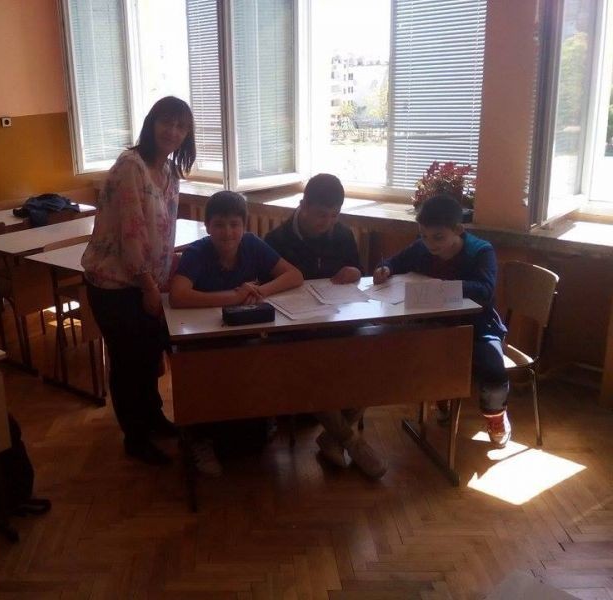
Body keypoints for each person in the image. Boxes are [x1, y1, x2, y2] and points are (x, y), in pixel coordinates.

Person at [81, 96, 196, 466]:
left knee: (148, 358)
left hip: (147, 283)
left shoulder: (170, 172)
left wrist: (163, 277)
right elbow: (132, 234)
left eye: (180, 126)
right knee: (129, 362)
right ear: (151, 123)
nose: (172, 131)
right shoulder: (131, 166)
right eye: (166, 122)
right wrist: (148, 285)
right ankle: (135, 437)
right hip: (115, 284)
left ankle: (153, 418)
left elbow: (164, 231)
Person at [169, 191, 304, 475]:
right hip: (203, 338)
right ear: (207, 226)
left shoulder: (252, 245)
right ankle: (200, 438)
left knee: (264, 361)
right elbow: (178, 296)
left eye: (234, 224)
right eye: (219, 224)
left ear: (244, 226)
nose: (227, 232)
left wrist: (259, 291)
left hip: (243, 333)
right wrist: (233, 297)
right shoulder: (197, 252)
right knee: (200, 374)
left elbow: (294, 275)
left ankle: (261, 416)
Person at [264, 174, 387, 478]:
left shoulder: (342, 234)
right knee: (311, 367)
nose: (328, 222)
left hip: (338, 321)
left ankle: (332, 437)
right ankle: (351, 442)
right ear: (302, 205)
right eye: (321, 214)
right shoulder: (276, 240)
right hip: (295, 329)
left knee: (378, 358)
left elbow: (358, 271)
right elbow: (267, 290)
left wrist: (355, 271)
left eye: (334, 215)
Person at [373, 194, 511, 446]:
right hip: (435, 324)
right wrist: (386, 268)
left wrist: (443, 287)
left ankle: (496, 415)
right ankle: (442, 397)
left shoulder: (481, 251)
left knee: (493, 365)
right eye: (423, 236)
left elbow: (484, 290)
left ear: (458, 230)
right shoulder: (422, 247)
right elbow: (396, 261)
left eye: (438, 237)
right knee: (411, 351)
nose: (429, 244)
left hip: (478, 326)